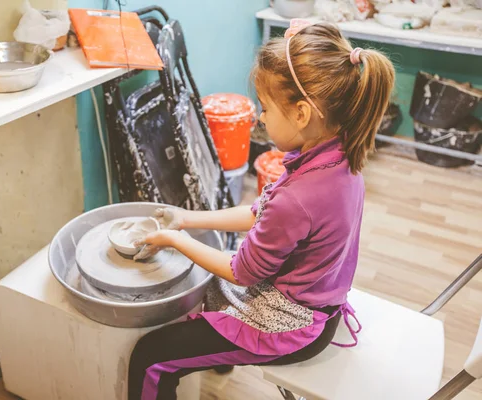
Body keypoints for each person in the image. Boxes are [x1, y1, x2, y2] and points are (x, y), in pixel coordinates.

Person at [128, 18, 395, 400]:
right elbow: (260, 213)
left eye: (265, 107)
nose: (260, 116)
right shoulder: (339, 156)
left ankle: (218, 351)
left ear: (302, 114)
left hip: (292, 325)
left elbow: (241, 272)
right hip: (318, 303)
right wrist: (185, 218)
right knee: (206, 286)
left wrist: (173, 239)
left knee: (151, 357)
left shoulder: (299, 196)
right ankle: (218, 359)